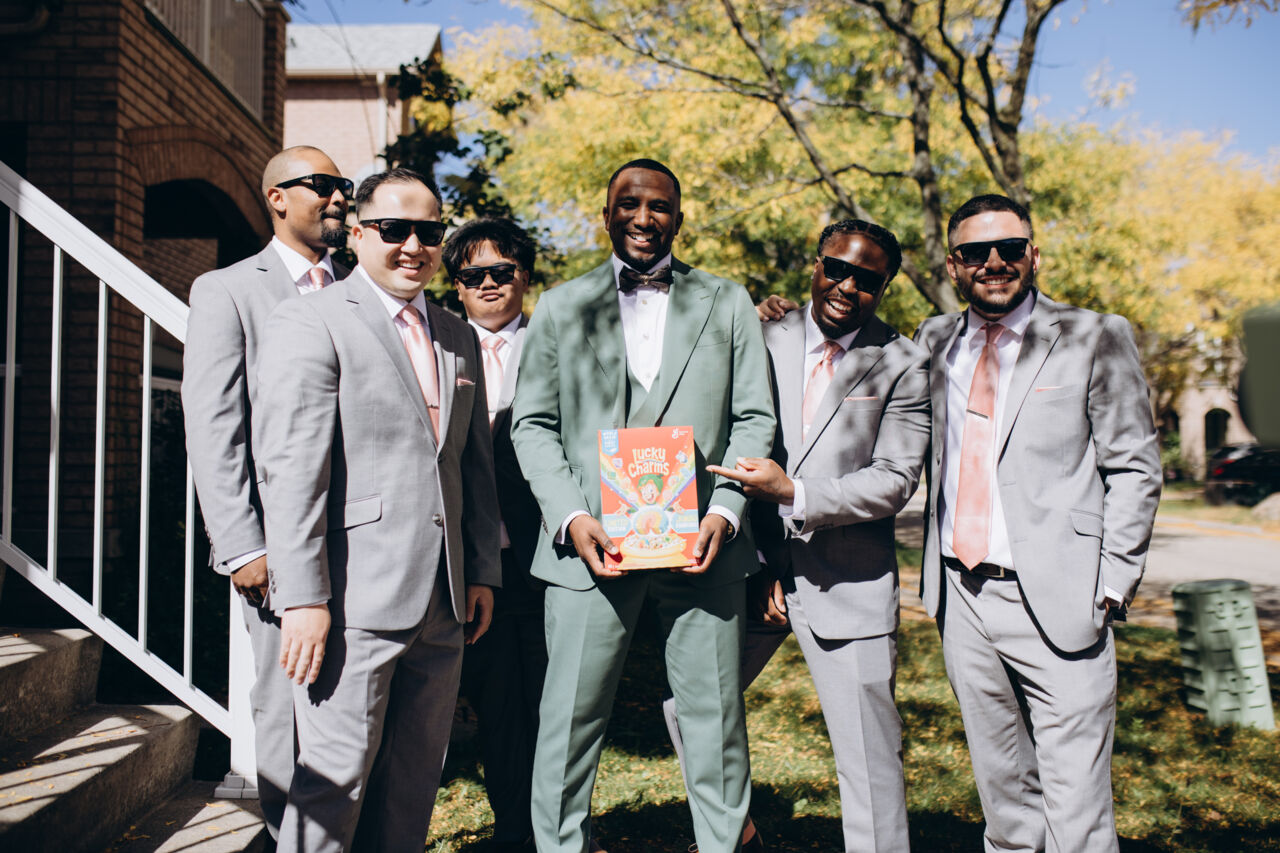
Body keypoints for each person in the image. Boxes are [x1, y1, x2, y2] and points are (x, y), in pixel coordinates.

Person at [510, 158, 776, 853]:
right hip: (589, 548)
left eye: (659, 205)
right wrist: (571, 516)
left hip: (704, 545)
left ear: (678, 219)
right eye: (628, 203)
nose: (643, 217)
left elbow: (753, 417)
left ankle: (722, 844)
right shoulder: (561, 306)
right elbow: (531, 424)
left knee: (716, 719)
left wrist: (726, 511)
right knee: (568, 719)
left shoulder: (728, 302)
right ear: (606, 214)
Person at [254, 167, 502, 853]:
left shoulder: (457, 335)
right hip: (349, 603)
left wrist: (481, 568)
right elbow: (292, 472)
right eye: (395, 229)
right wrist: (303, 597)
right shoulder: (311, 318)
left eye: (429, 231)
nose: (413, 246)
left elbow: (471, 466)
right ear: (359, 234)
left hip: (444, 602)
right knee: (332, 787)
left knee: (413, 785)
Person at [665, 219, 928, 852]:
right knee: (688, 707)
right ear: (816, 265)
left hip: (848, 580)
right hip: (748, 570)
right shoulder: (759, 333)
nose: (846, 287)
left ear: (884, 288)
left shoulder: (905, 362)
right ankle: (736, 835)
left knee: (868, 759)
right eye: (836, 268)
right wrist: (760, 563)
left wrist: (795, 494)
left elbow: (894, 480)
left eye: (867, 280)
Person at [914, 194, 1161, 852]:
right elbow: (856, 372)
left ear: (1034, 256)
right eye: (975, 251)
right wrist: (785, 322)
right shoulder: (932, 340)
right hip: (961, 597)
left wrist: (1113, 582)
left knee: (1077, 810)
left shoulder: (1093, 335)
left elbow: (1135, 466)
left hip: (1063, 595)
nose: (994, 261)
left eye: (1010, 248)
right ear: (953, 265)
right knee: (1005, 801)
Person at [182, 145, 350, 839]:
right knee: (286, 701)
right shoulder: (228, 290)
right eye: (322, 185)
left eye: (343, 186)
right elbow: (213, 421)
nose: (338, 197)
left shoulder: (358, 285)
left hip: (364, 537)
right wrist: (242, 544)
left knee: (348, 706)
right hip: (277, 546)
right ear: (277, 197)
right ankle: (288, 837)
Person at [443, 217, 546, 852]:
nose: (487, 283)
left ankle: (546, 832)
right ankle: (515, 829)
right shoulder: (436, 344)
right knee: (491, 702)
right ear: (456, 285)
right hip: (458, 559)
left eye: (501, 271)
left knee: (546, 704)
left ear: (523, 276)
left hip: (544, 556)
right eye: (472, 274)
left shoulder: (557, 344)